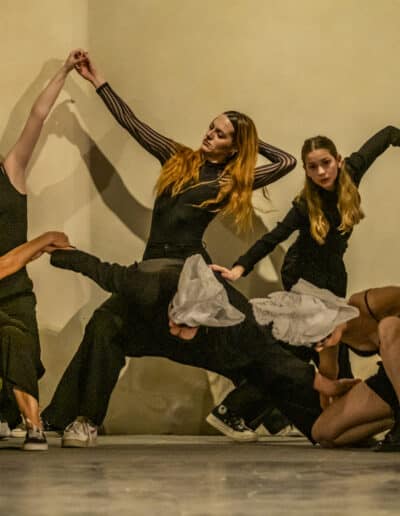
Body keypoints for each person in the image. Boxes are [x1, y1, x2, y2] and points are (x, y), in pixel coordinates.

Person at [41, 51, 298, 445]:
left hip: (190, 273)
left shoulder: (230, 180)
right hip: (152, 271)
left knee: (249, 335)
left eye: (220, 134)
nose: (209, 134)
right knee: (105, 324)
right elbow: (133, 125)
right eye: (211, 127)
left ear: (234, 147)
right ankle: (77, 419)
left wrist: (249, 139)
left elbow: (286, 161)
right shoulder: (178, 159)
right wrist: (98, 82)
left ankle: (263, 413)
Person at [44, 246, 358, 447]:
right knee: (103, 326)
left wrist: (329, 386)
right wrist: (57, 251)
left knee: (261, 367)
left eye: (186, 325)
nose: (176, 329)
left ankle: (323, 425)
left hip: (208, 346)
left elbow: (276, 360)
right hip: (140, 327)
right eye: (177, 319)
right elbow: (100, 269)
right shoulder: (146, 283)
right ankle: (83, 419)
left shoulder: (239, 324)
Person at [209, 128, 400, 435]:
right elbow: (274, 238)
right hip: (303, 277)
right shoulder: (304, 206)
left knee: (322, 348)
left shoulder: (352, 171)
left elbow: (386, 135)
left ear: (338, 160)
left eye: (326, 163)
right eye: (313, 167)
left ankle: (289, 415)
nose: (321, 172)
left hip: (333, 277)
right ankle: (235, 409)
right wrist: (239, 268)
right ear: (306, 171)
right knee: (313, 347)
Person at [0, 49, 85, 451]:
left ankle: (19, 417)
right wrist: (42, 241)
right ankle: (30, 423)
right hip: (6, 277)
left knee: (20, 346)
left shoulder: (10, 172)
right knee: (11, 341)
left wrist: (64, 71)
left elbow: (36, 117)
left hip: (16, 294)